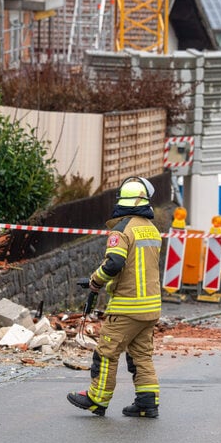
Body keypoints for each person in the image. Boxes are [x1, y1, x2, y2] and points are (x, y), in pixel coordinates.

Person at [67, 177, 162, 418]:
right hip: (150, 308)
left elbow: (115, 263)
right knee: (141, 355)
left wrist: (95, 281)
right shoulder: (152, 229)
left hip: (127, 306)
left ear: (122, 201)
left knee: (106, 352)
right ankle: (147, 403)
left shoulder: (122, 230)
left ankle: (97, 399)